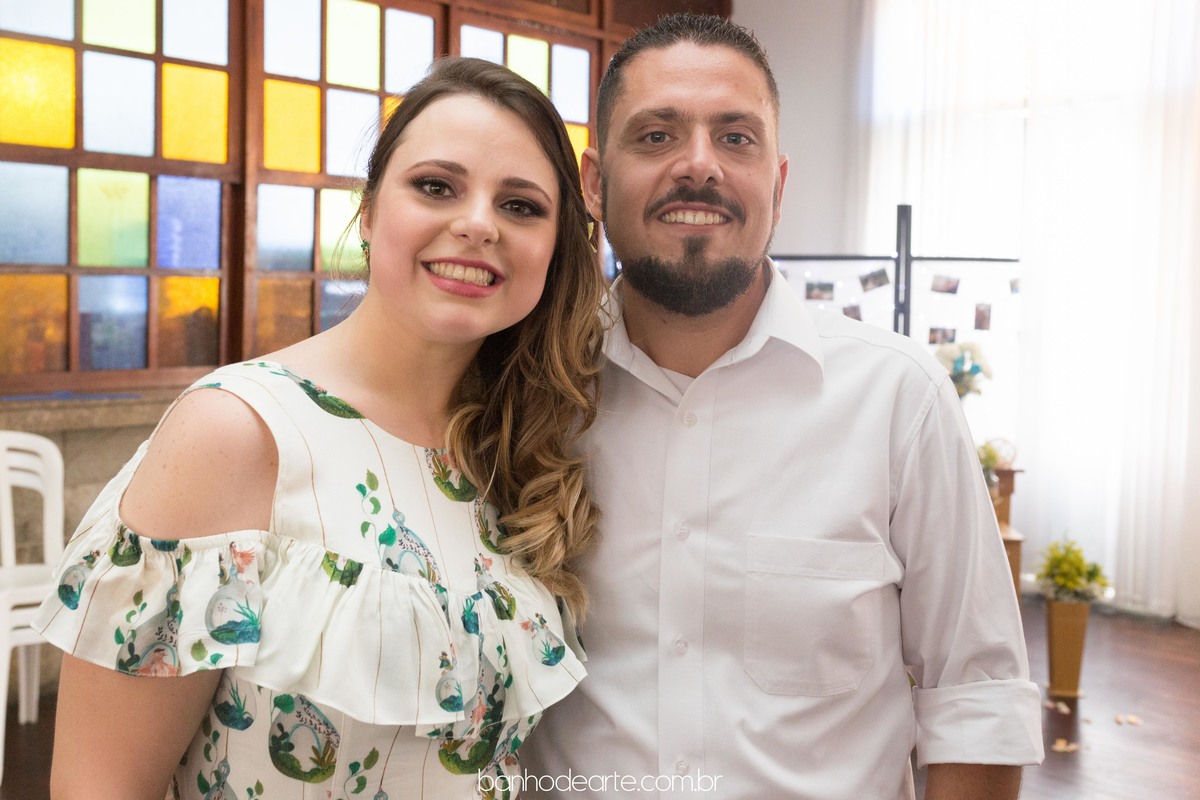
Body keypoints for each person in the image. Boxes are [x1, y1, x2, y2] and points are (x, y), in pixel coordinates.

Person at [35, 56, 606, 800]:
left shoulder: (517, 447)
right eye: (436, 186)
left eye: (521, 205)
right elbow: (101, 785)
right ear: (369, 213)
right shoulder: (238, 432)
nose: (477, 224)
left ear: (556, 247)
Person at [524, 13, 1044, 800]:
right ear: (594, 183)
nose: (699, 165)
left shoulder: (897, 398)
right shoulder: (530, 394)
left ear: (778, 182)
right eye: (657, 136)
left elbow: (976, 696)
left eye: (736, 138)